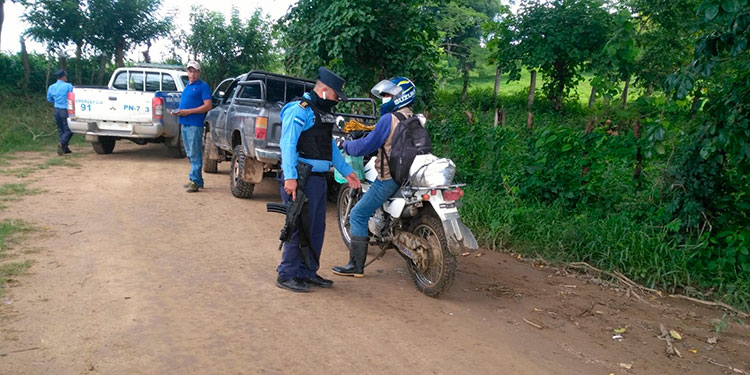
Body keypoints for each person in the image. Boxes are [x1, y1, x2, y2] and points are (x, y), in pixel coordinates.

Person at [276, 67, 362, 293]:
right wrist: (291, 178)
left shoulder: (321, 114)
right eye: (335, 96)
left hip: (317, 180)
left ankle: (307, 272)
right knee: (298, 227)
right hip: (301, 179)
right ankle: (287, 274)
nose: (336, 101)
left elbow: (329, 147)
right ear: (323, 90)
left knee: (315, 229)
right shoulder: (298, 110)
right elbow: (287, 145)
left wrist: (347, 171)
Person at [332, 77, 418, 278]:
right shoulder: (414, 118)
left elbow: (366, 146)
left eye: (388, 95)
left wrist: (345, 145)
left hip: (389, 178)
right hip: (408, 177)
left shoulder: (389, 119)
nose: (384, 99)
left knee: (358, 215)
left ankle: (356, 266)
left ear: (400, 96)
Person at [174, 61, 212, 193]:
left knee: (195, 153)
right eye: (190, 71)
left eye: (195, 71)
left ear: (199, 73)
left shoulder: (203, 87)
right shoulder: (188, 86)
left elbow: (208, 105)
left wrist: (188, 112)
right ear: (187, 72)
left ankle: (195, 181)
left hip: (195, 124)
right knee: (190, 153)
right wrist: (179, 111)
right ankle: (197, 180)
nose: (192, 74)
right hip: (185, 123)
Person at [46, 69, 74, 156]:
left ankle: (65, 149)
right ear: (63, 77)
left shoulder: (51, 87)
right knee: (69, 129)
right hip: (65, 110)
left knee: (61, 129)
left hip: (56, 109)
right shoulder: (68, 86)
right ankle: (62, 143)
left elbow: (49, 99)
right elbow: (72, 97)